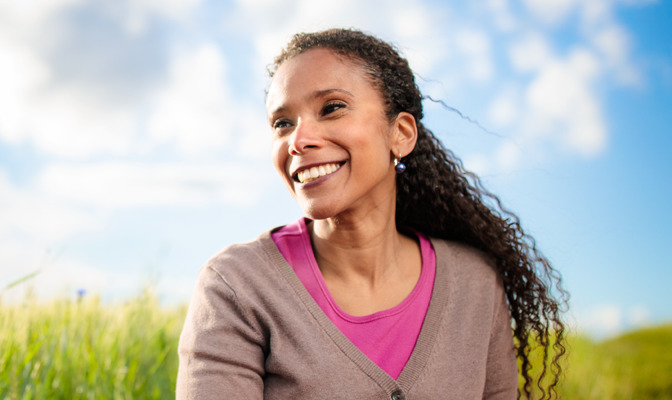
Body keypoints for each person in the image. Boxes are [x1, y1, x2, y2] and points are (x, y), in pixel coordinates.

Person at [176, 28, 566, 399]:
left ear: (401, 134)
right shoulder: (237, 287)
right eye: (282, 123)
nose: (298, 140)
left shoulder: (476, 285)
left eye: (332, 108)